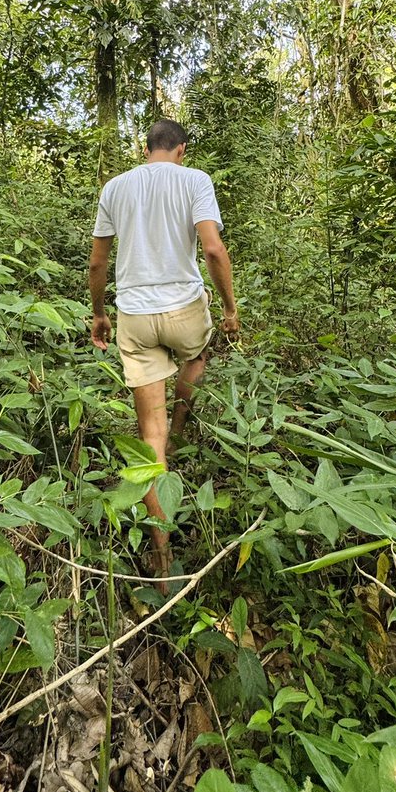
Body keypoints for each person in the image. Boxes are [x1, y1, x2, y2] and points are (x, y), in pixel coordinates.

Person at [88, 118, 239, 588]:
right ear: (182, 150)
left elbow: (98, 261)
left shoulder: (115, 187)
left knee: (145, 436)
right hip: (184, 311)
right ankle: (181, 423)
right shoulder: (195, 180)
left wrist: (99, 314)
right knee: (196, 356)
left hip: (133, 315)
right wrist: (231, 309)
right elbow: (212, 250)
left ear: (147, 147)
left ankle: (162, 551)